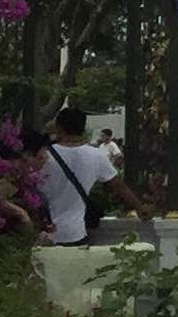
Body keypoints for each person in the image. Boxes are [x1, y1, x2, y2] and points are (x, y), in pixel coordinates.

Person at [39, 102, 138, 247]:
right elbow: (119, 186)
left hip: (42, 232)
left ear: (58, 127)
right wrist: (139, 207)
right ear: (83, 128)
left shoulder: (43, 156)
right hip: (75, 233)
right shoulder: (96, 155)